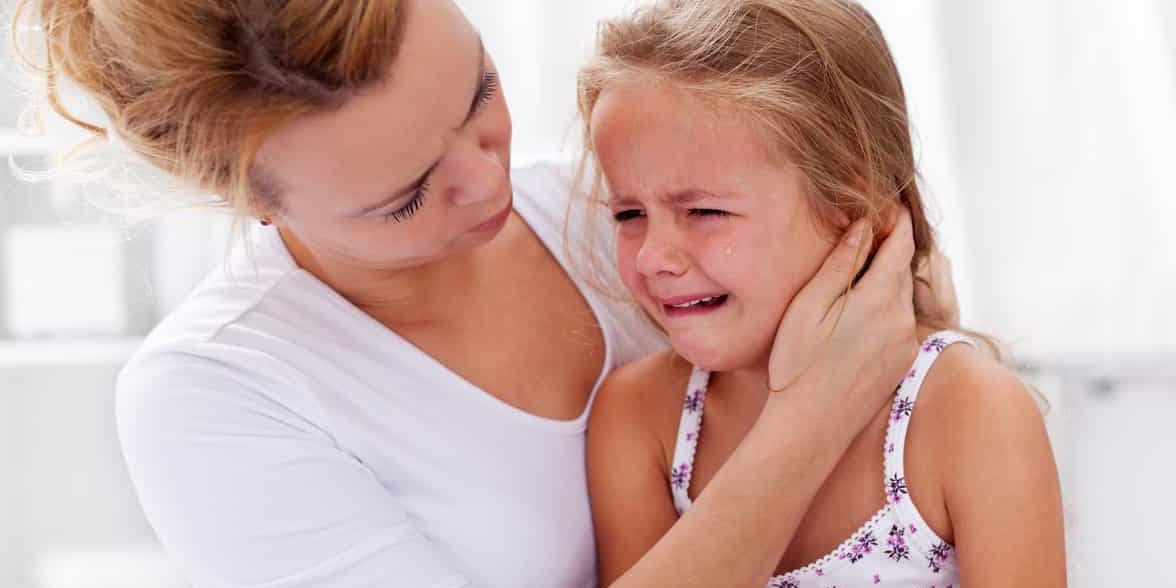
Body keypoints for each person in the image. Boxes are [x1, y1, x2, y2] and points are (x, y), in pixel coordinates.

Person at [14, 0, 952, 586]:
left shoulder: (625, 218)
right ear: (248, 201)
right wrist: (815, 413)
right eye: (406, 196)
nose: (485, 179)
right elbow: (850, 378)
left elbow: (915, 398)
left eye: (478, 94)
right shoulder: (217, 399)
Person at [576, 1, 1067, 587]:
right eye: (629, 212)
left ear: (851, 211)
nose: (653, 257)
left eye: (704, 211)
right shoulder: (640, 420)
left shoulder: (970, 414)